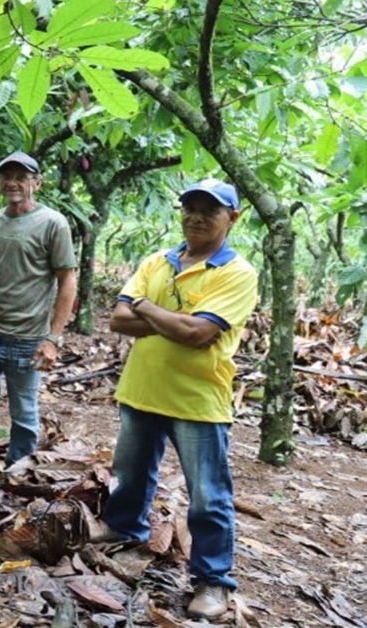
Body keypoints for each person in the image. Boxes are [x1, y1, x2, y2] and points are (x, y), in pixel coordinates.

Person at [94, 179, 257, 620]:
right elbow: (118, 320)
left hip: (198, 399)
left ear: (232, 218)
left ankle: (212, 580)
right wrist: (174, 319)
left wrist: (147, 307)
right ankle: (123, 530)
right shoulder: (157, 261)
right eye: (190, 207)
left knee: (207, 496)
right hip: (142, 390)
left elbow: (197, 333)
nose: (197, 217)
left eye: (210, 210)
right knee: (130, 473)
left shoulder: (236, 273)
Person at [0, 151, 77, 484]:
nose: (13, 183)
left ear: (37, 183)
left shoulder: (53, 223)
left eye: (21, 177)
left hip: (27, 336)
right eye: (6, 176)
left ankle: (17, 475)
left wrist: (53, 338)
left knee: (23, 413)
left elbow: (67, 280)